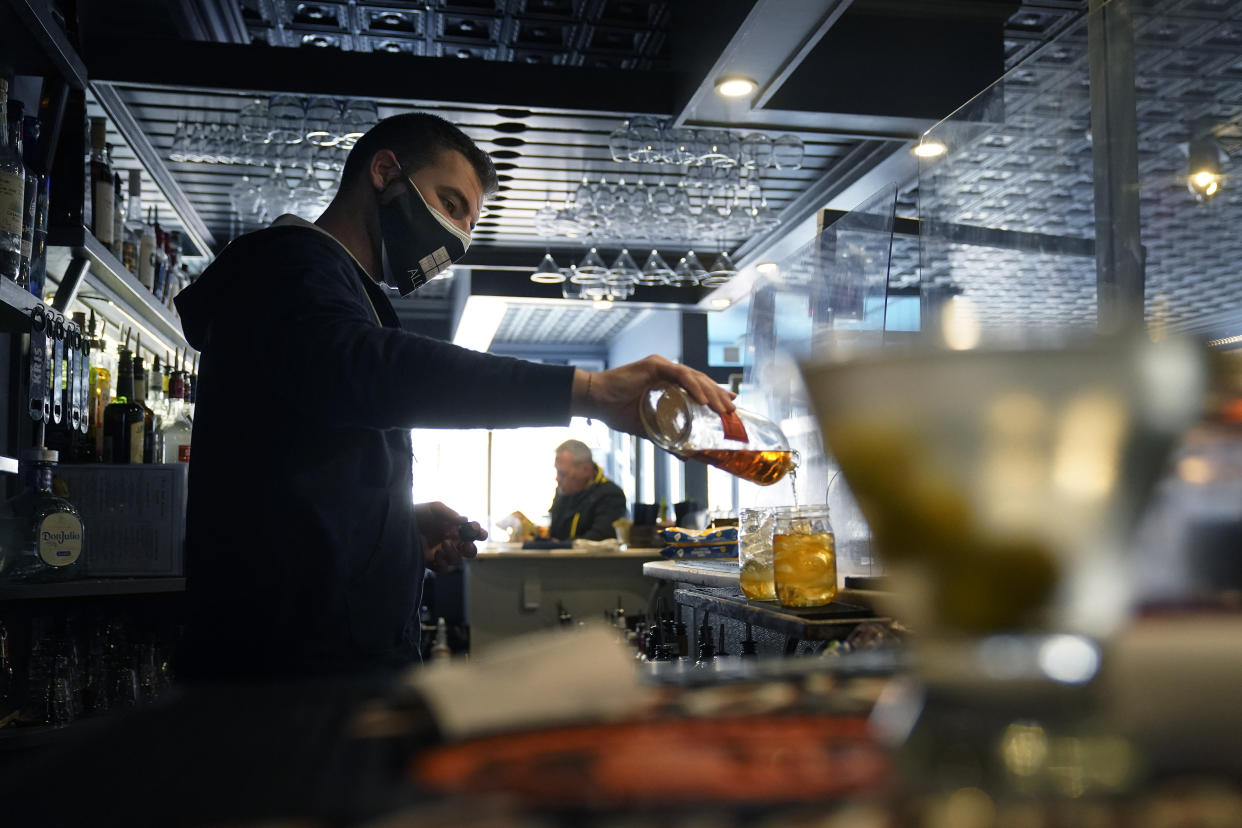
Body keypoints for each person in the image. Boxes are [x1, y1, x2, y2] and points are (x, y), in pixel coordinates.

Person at [173, 113, 734, 680]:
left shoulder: (332, 290)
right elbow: (368, 372)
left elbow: (305, 456)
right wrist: (587, 390)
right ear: (385, 171)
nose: (458, 235)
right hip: (286, 675)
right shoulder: (290, 267)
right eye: (451, 202)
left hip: (332, 660)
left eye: (468, 220)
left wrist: (392, 529)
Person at [548, 440, 627, 541]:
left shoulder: (610, 495)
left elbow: (598, 539)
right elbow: (552, 533)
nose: (557, 479)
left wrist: (560, 546)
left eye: (562, 473)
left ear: (585, 470)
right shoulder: (562, 493)